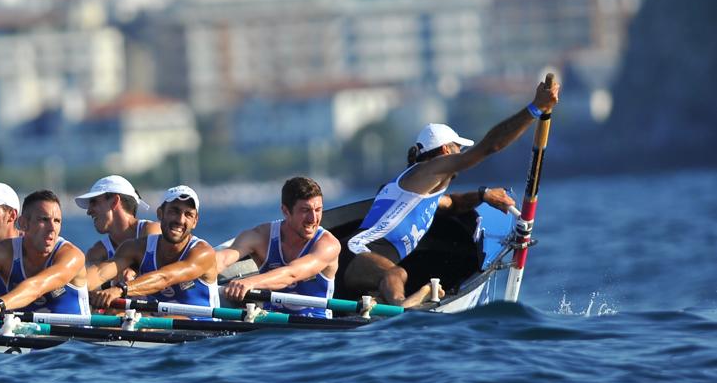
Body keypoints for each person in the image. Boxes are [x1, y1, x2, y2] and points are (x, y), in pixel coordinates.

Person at [345, 76, 560, 307]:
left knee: (394, 276)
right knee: (398, 275)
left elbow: (452, 204)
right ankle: (403, 308)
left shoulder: (417, 190)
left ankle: (383, 302)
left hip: (366, 264)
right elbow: (490, 147)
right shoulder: (429, 169)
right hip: (358, 253)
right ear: (447, 150)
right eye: (458, 148)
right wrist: (534, 109)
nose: (461, 152)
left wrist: (482, 195)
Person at [216, 176, 341, 317]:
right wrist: (192, 272)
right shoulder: (260, 236)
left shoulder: (328, 245)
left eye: (318, 210)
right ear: (286, 211)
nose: (313, 219)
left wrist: (249, 282)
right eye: (305, 210)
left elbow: (291, 274)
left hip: (316, 332)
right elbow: (223, 259)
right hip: (272, 331)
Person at [89, 186, 219, 316]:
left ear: (195, 221)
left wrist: (120, 290)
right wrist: (76, 286)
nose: (180, 220)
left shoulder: (203, 252)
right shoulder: (135, 248)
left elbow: (165, 278)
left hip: (202, 326)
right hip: (157, 325)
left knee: (145, 325)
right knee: (113, 316)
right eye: (174, 211)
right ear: (160, 214)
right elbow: (100, 273)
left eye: (188, 215)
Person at [0, 190, 89, 319]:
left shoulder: (72, 256)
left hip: (75, 338)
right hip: (24, 336)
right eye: (44, 220)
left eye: (57, 221)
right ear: (23, 223)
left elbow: (37, 287)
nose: (52, 228)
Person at [75, 175, 160, 290]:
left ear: (115, 201)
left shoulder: (152, 230)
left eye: (94, 202)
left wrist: (132, 270)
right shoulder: (97, 252)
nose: (89, 211)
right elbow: (83, 284)